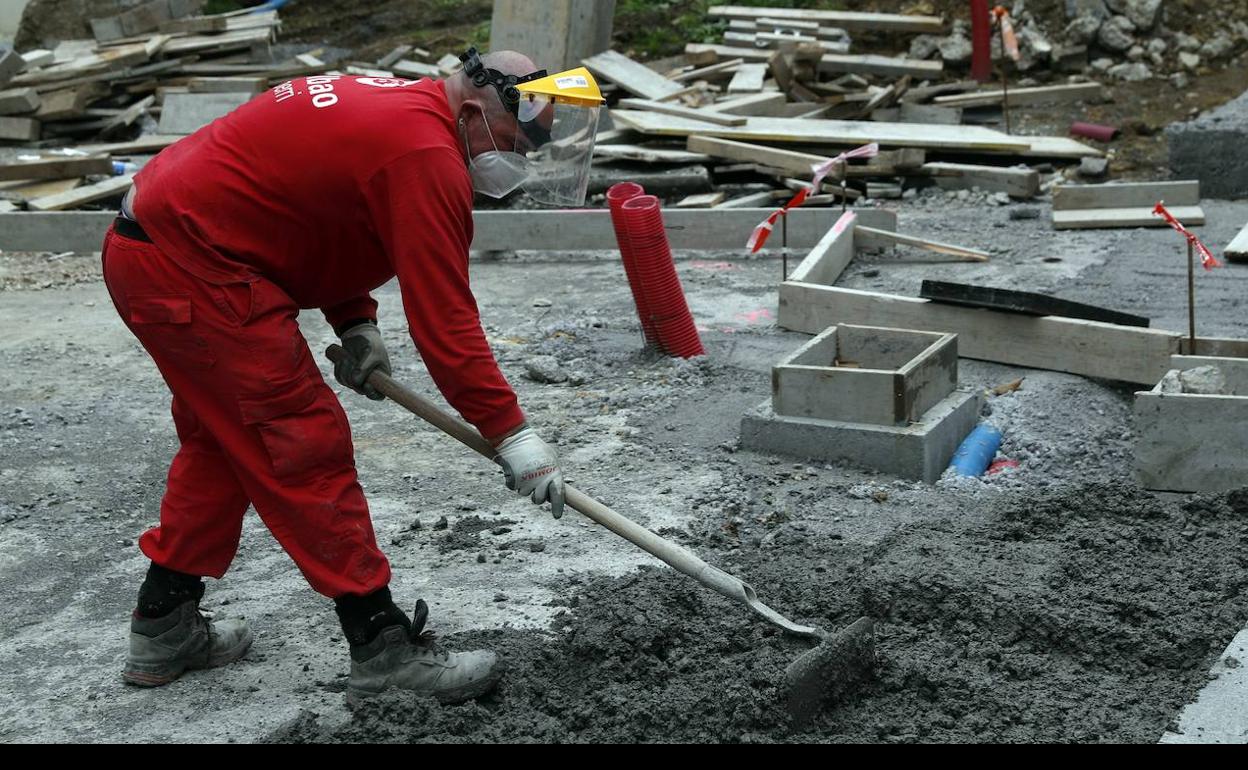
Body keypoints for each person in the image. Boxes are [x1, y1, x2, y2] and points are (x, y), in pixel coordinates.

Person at [102, 48, 603, 704]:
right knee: (299, 440)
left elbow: (317, 213)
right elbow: (446, 328)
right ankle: (382, 649)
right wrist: (513, 436)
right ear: (476, 111)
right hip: (193, 264)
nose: (520, 158)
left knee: (225, 442)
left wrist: (355, 323)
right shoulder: (425, 156)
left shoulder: (402, 110)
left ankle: (162, 627)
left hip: (165, 246)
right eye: (515, 140)